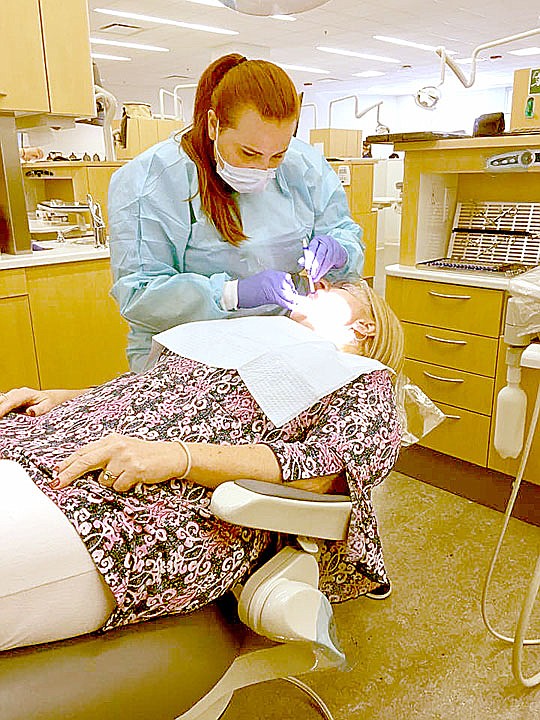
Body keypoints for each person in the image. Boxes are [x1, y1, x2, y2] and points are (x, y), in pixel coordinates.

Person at [0, 281, 403, 652]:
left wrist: (179, 457)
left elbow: (321, 471)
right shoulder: (250, 339)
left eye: (344, 287)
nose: (323, 285)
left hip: (135, 502)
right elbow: (150, 389)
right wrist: (70, 398)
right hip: (58, 440)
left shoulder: (364, 379)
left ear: (366, 326)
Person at [108, 53, 364, 372]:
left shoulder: (303, 165)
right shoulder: (152, 180)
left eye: (277, 156)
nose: (264, 168)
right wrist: (232, 294)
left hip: (282, 346)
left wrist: (339, 250)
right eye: (249, 153)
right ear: (214, 124)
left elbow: (343, 231)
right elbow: (138, 293)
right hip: (186, 359)